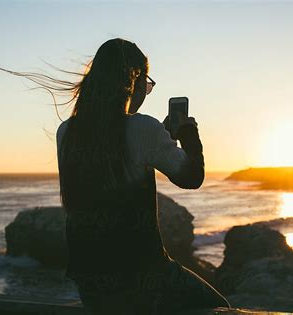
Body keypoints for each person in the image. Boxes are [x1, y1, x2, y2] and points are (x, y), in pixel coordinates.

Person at [55, 38, 230, 315]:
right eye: (146, 84)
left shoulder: (67, 132)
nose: (145, 92)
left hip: (91, 286)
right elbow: (191, 177)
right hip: (146, 282)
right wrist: (187, 133)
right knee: (220, 308)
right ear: (133, 80)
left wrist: (158, 138)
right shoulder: (142, 128)